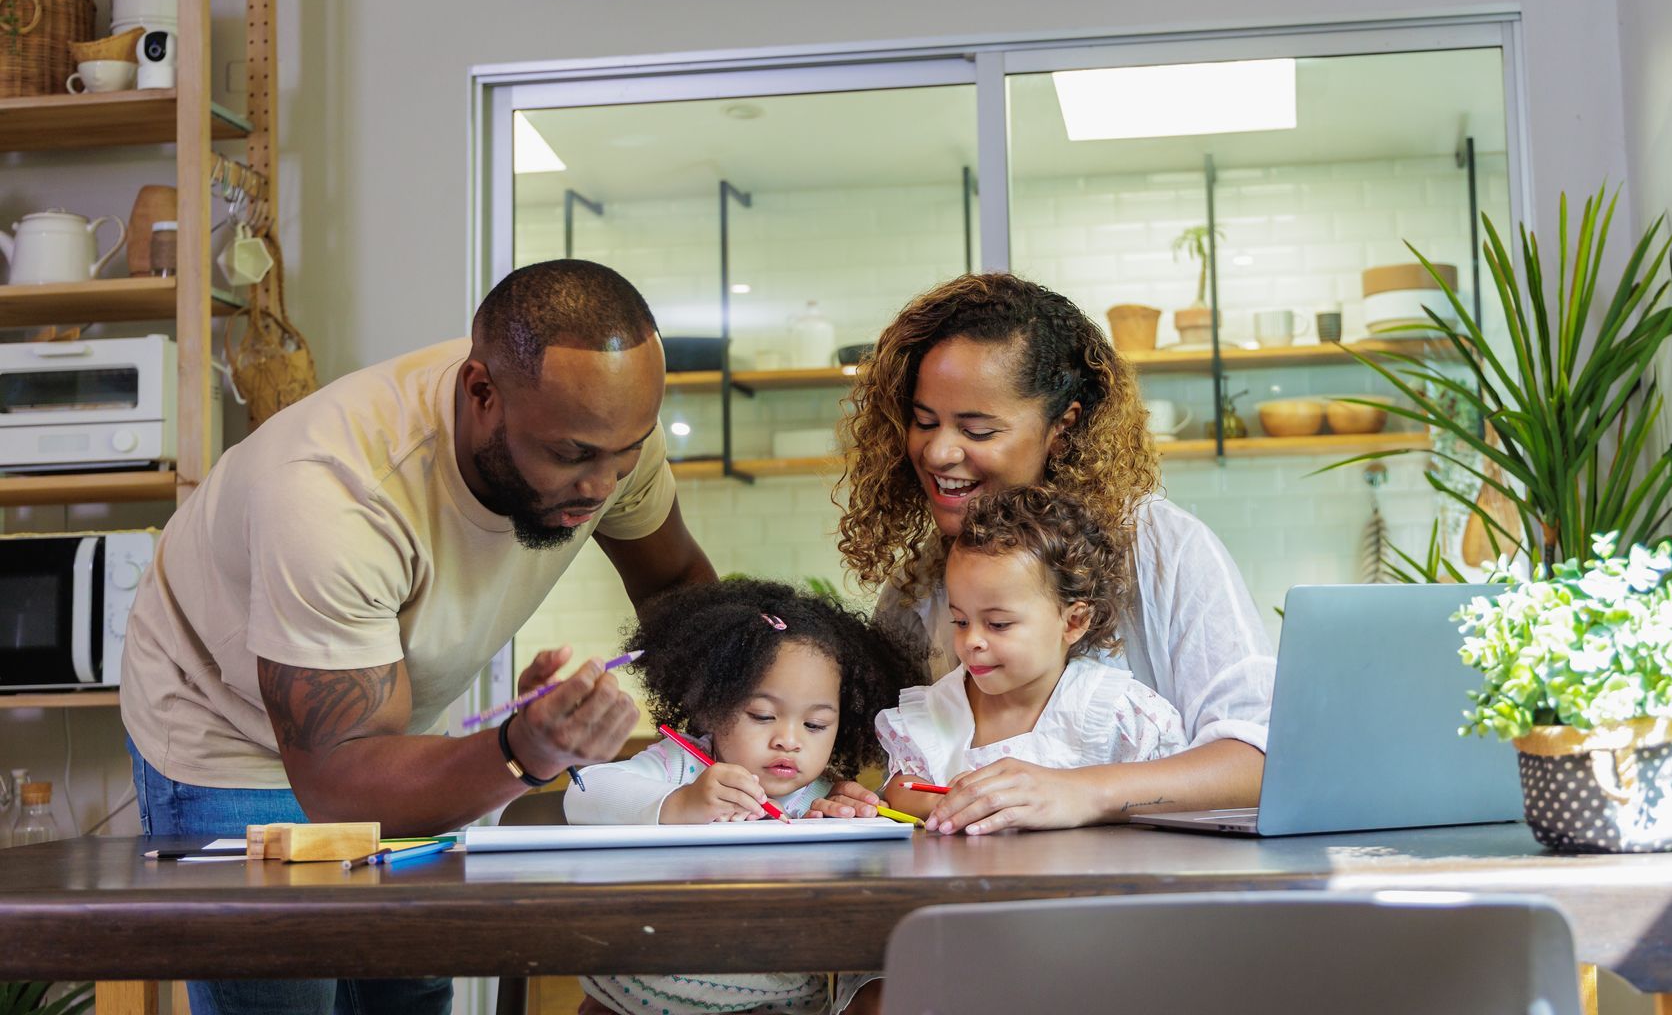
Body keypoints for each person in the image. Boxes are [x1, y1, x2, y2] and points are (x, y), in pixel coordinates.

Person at [120, 259, 717, 1015]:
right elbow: (341, 783)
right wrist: (526, 750)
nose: (602, 485)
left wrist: (745, 718)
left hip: (380, 723)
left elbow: (674, 590)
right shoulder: (336, 494)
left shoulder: (602, 429)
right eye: (571, 456)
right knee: (286, 996)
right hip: (229, 731)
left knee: (406, 984)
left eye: (626, 453)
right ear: (481, 395)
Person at [822, 272, 1275, 835]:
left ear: (1063, 429)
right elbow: (885, 775)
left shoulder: (1162, 550)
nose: (938, 451)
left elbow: (1259, 759)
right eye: (924, 422)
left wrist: (1082, 792)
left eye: (979, 430)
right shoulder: (916, 588)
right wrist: (857, 800)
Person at [566, 579, 919, 1015]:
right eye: (763, 716)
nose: (789, 740)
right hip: (634, 1000)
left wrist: (847, 833)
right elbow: (584, 793)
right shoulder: (682, 767)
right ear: (711, 707)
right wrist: (680, 803)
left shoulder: (821, 801)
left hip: (779, 1003)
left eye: (815, 725)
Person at [876, 484, 1188, 822]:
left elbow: (1173, 801)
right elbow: (900, 790)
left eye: (997, 624)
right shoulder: (932, 715)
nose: (972, 641)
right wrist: (949, 803)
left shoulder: (1120, 715)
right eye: (960, 620)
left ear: (1074, 621)